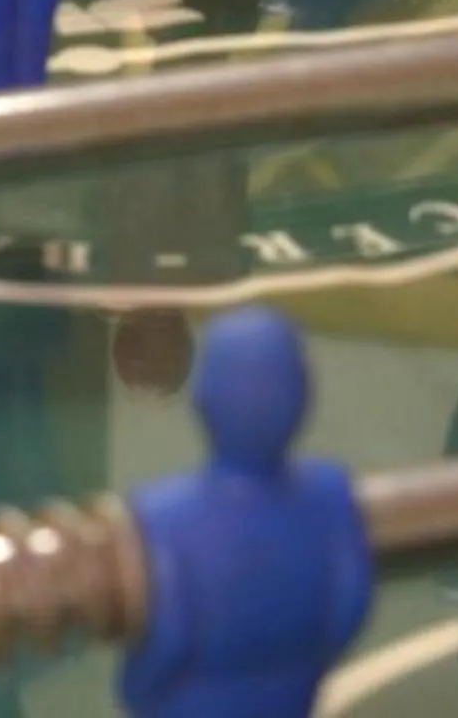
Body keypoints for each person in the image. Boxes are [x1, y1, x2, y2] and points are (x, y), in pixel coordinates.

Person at [121, 308, 373, 718]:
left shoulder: (164, 517)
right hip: (291, 696)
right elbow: (349, 605)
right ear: (303, 395)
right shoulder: (331, 494)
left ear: (202, 399)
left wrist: (138, 692)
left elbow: (167, 640)